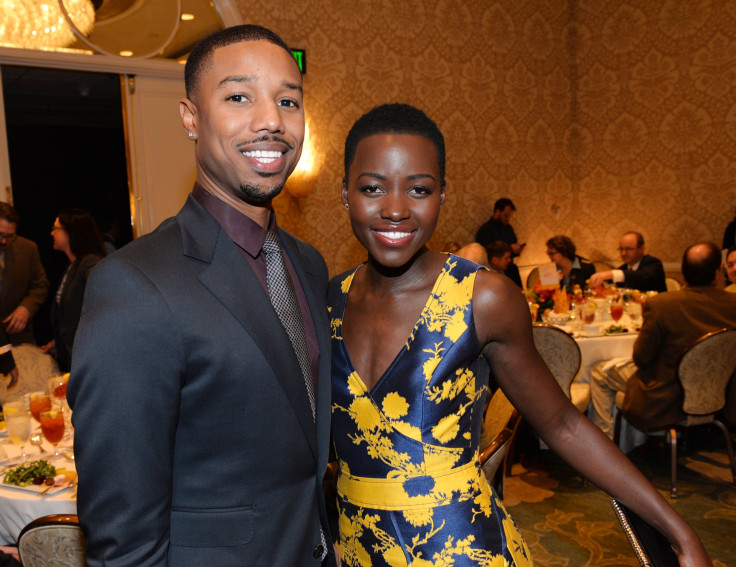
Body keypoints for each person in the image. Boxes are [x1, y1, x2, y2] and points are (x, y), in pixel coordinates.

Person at [329, 103, 711, 566]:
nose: (395, 209)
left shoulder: (482, 298)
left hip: (458, 548)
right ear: (346, 194)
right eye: (372, 188)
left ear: (442, 196)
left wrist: (678, 529)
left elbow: (563, 424)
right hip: (355, 546)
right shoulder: (326, 299)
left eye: (419, 189)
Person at [67, 25, 336, 567]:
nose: (271, 121)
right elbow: (123, 541)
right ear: (190, 118)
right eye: (239, 97)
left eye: (288, 100)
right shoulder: (135, 284)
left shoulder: (307, 263)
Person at [589, 242, 736, 438]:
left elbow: (641, 358)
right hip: (718, 394)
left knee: (599, 371)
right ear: (718, 272)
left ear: (683, 273)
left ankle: (604, 446)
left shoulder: (662, 305)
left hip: (666, 398)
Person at [40, 209, 106, 372]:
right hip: (74, 357)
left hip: (91, 360)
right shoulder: (73, 266)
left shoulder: (91, 264)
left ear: (71, 232)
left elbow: (103, 306)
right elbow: (73, 313)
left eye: (56, 228)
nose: (52, 233)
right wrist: (59, 343)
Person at [0, 203, 49, 345]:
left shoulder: (28, 249)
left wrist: (25, 309)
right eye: (0, 235)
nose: (3, 241)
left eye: (9, 236)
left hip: (16, 337)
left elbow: (41, 284)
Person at [589, 231, 666, 292]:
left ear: (641, 249)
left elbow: (642, 276)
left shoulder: (654, 264)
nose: (623, 253)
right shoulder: (623, 268)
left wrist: (611, 274)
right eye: (621, 249)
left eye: (628, 249)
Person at [475, 198, 524, 287]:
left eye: (509, 216)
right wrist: (510, 248)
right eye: (506, 216)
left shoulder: (508, 228)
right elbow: (484, 254)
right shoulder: (485, 230)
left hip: (508, 269)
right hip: (491, 271)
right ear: (497, 212)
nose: (508, 219)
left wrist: (516, 249)